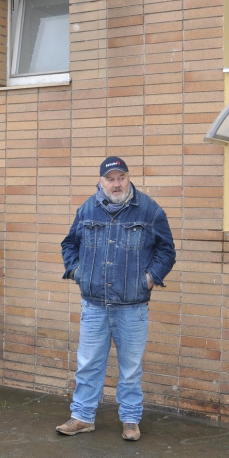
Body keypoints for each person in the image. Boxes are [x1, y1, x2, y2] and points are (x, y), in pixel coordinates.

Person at [56, 156, 176, 441]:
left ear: (128, 178)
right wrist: (77, 272)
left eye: (120, 177)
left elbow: (166, 251)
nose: (116, 183)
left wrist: (147, 279)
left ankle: (131, 420)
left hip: (132, 307)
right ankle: (83, 417)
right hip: (95, 303)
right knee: (88, 365)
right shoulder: (87, 209)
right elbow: (70, 243)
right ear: (101, 182)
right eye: (110, 179)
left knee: (131, 368)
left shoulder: (149, 210)